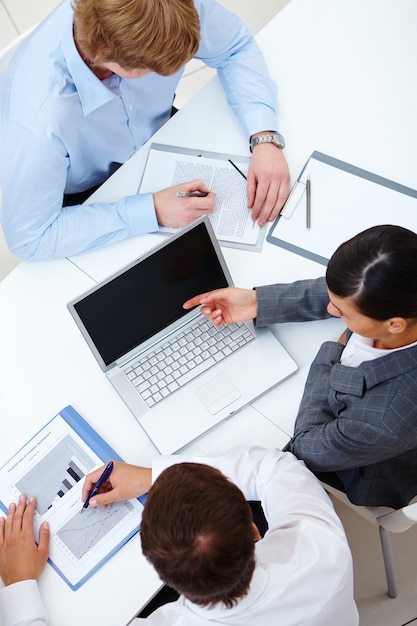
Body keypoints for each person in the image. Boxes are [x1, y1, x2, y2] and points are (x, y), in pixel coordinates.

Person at [0, 0, 289, 261]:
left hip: (160, 136)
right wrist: (151, 211)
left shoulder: (165, 8)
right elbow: (30, 238)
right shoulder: (38, 125)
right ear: (103, 55)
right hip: (89, 192)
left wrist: (264, 137)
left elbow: (234, 46)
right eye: (152, 70)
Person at [183, 225, 417, 509]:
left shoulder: (385, 419)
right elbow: (349, 291)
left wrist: (332, 351)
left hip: (359, 467)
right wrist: (258, 302)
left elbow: (306, 448)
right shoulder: (404, 288)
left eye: (341, 314)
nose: (332, 311)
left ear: (394, 324)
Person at [0, 446, 358, 625]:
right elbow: (274, 466)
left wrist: (18, 584)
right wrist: (152, 474)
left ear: (163, 577)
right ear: (253, 530)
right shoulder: (323, 548)